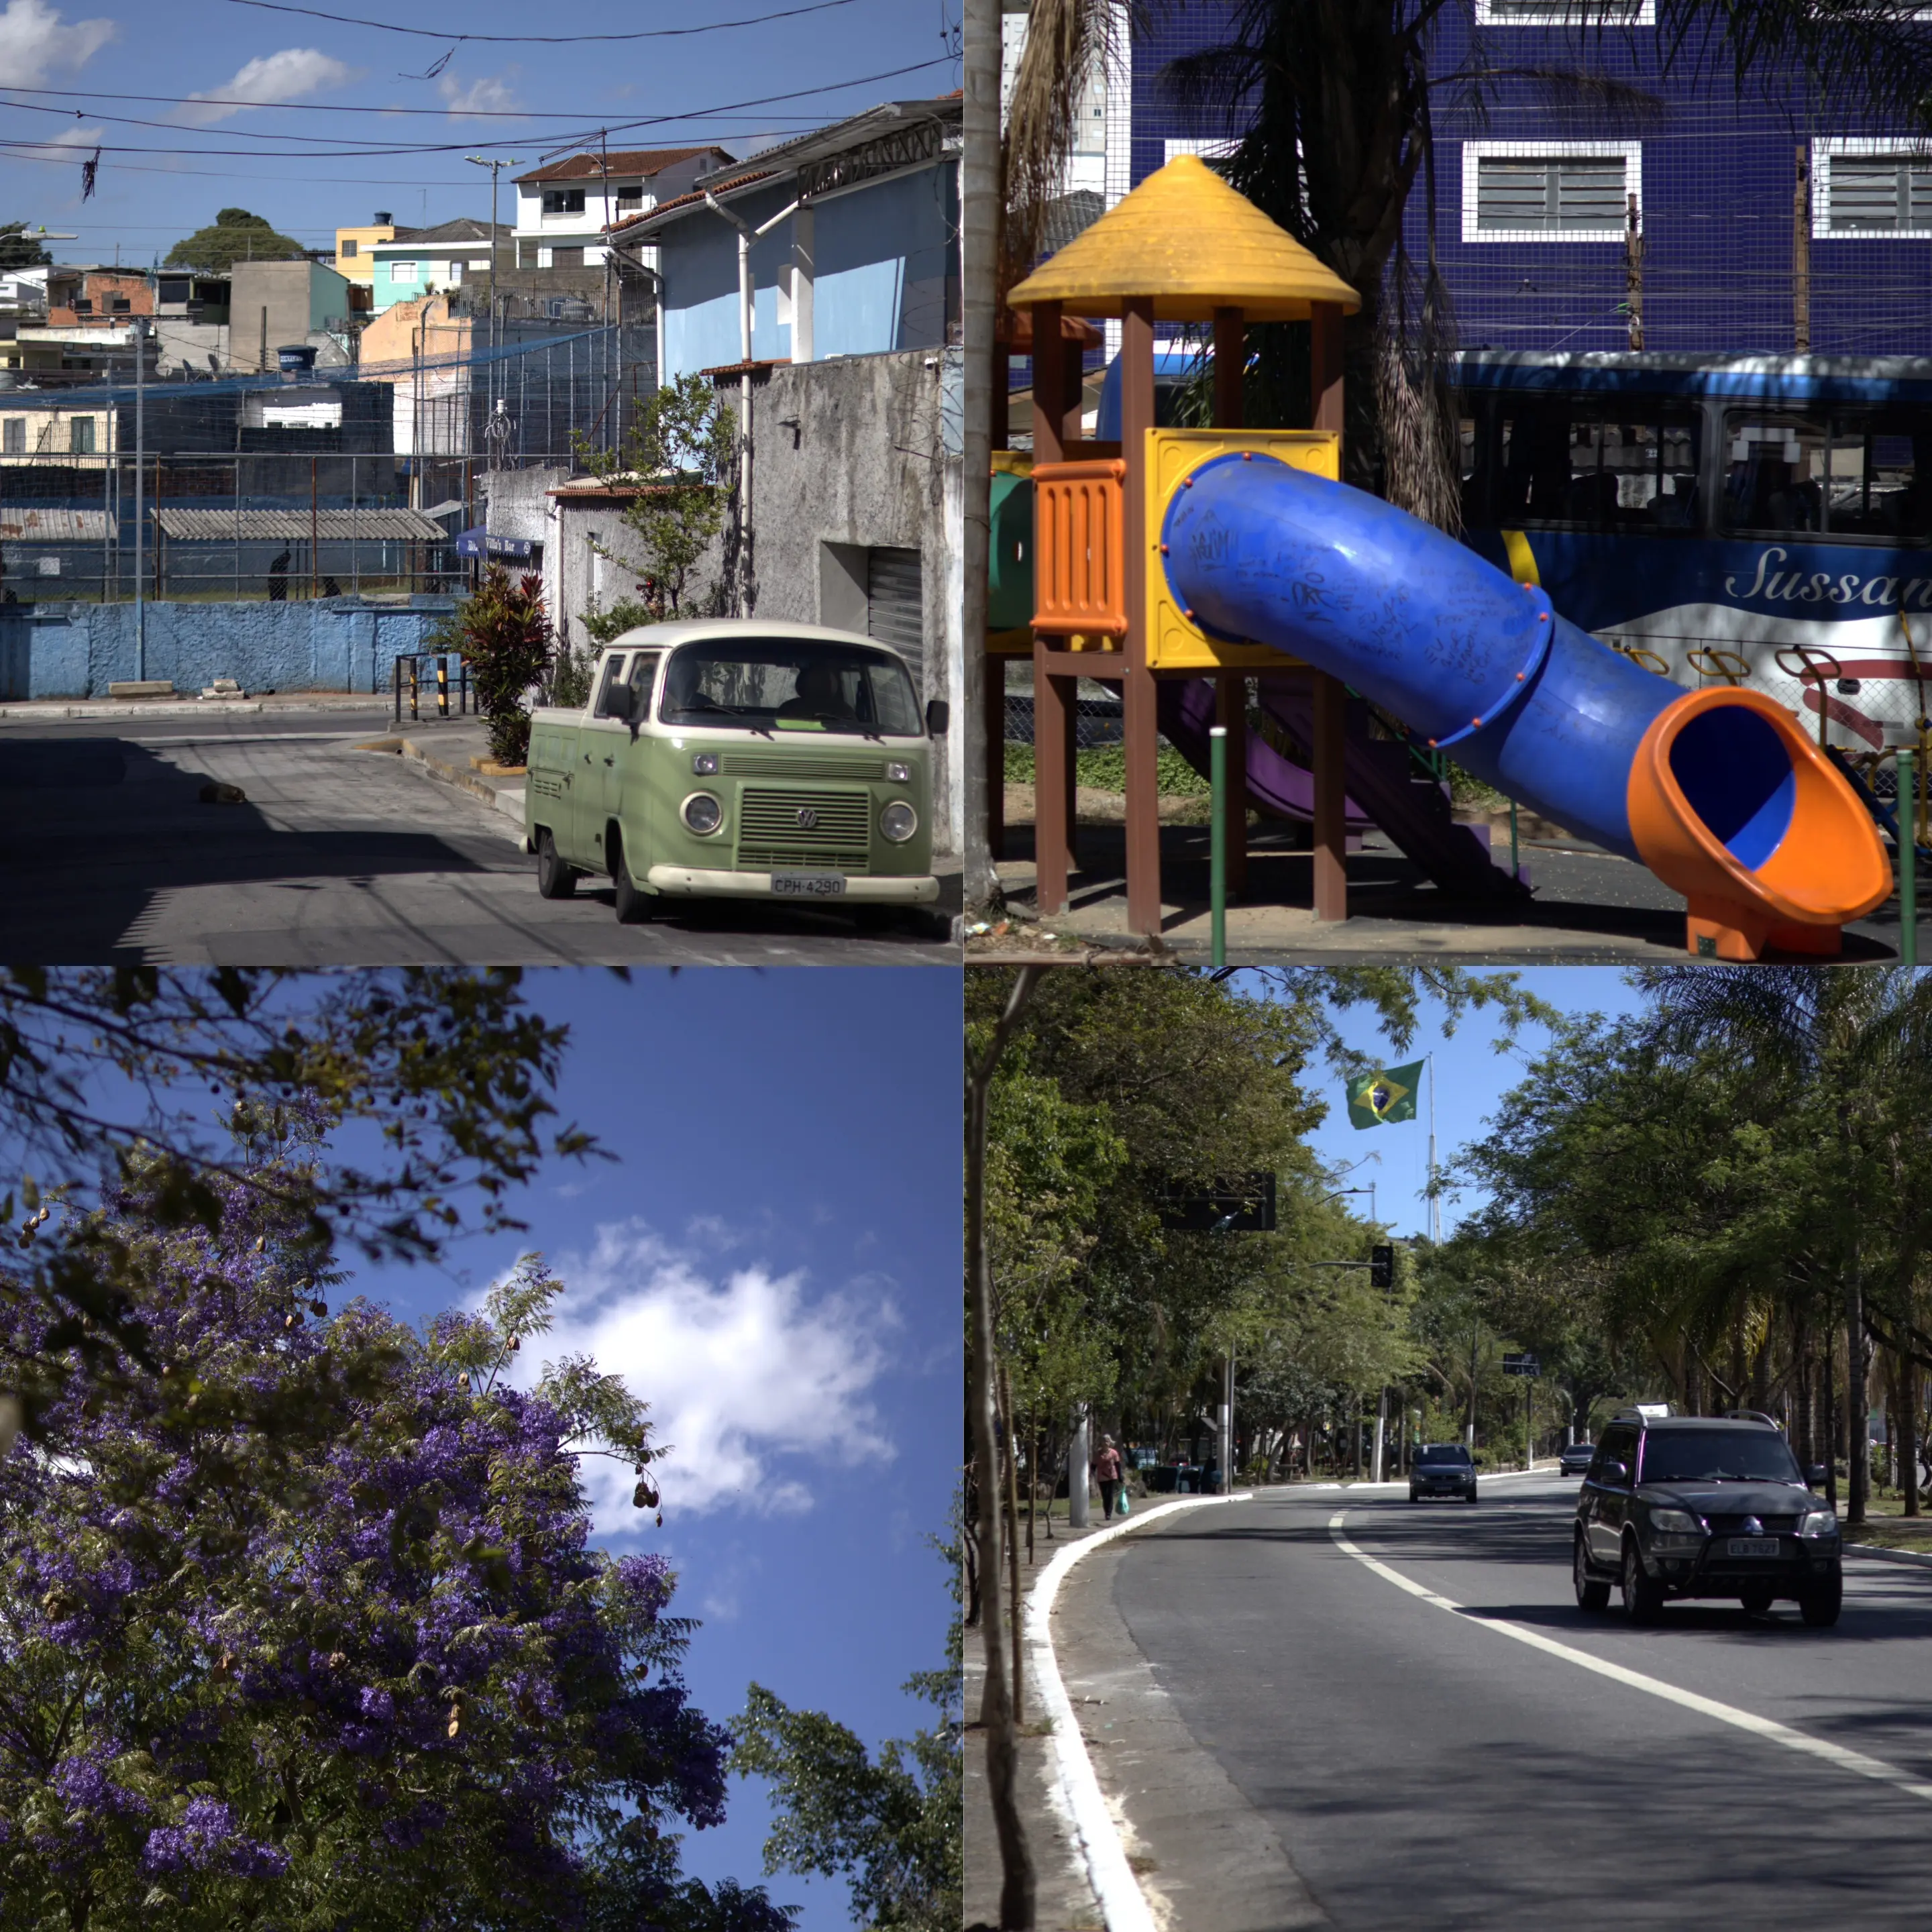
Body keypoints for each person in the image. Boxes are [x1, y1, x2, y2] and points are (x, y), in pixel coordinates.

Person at [1095, 1434, 1124, 1521]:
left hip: (1112, 1477)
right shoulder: (1098, 1454)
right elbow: (1093, 1465)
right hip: (1102, 1477)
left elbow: (1118, 1465)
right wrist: (1090, 1474)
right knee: (1105, 1496)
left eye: (1107, 1441)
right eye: (1104, 1441)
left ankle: (1109, 1513)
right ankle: (1106, 1510)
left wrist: (1120, 1476)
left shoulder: (1114, 1453)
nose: (1106, 1443)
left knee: (1110, 1495)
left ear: (1110, 1443)